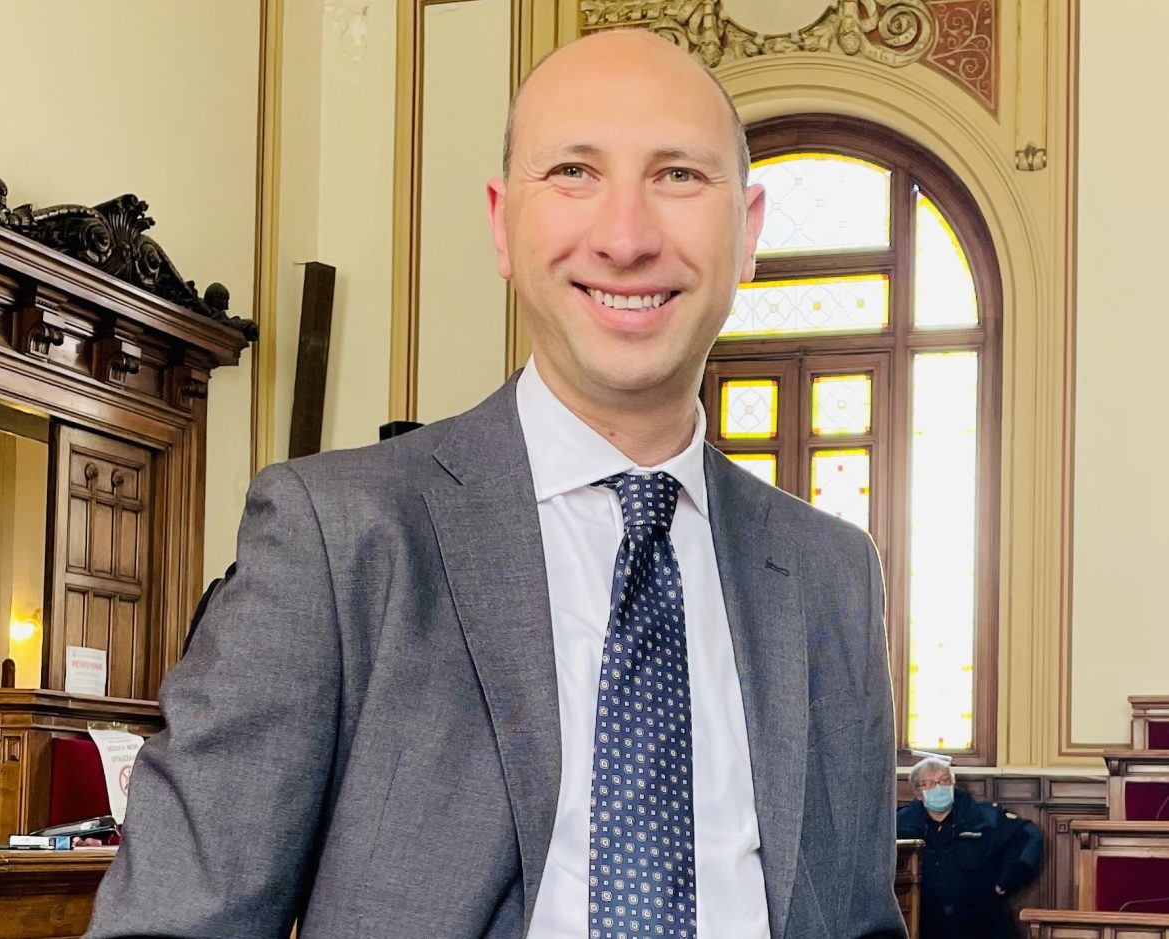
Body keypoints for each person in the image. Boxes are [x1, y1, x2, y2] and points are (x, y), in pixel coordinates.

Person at [85, 29, 905, 939]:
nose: (626, 237)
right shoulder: (338, 539)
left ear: (747, 232)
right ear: (502, 222)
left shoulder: (830, 571)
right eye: (573, 173)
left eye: (678, 175)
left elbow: (858, 919)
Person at [897, 757, 1043, 939]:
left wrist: (1008, 879)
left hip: (981, 924)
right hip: (923, 923)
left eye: (945, 781)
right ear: (918, 793)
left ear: (953, 784)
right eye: (931, 783)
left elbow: (1029, 836)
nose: (939, 788)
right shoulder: (901, 823)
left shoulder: (985, 817)